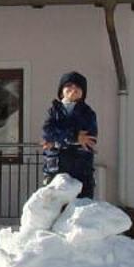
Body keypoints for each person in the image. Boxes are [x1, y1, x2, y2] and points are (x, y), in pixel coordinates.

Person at [41, 70, 98, 199]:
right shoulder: (53, 111)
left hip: (80, 166)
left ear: (83, 93)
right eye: (69, 85)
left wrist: (58, 139)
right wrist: (74, 137)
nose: (73, 89)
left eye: (78, 86)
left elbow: (90, 138)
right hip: (55, 166)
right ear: (61, 91)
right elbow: (47, 132)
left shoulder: (88, 113)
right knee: (53, 206)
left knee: (81, 206)